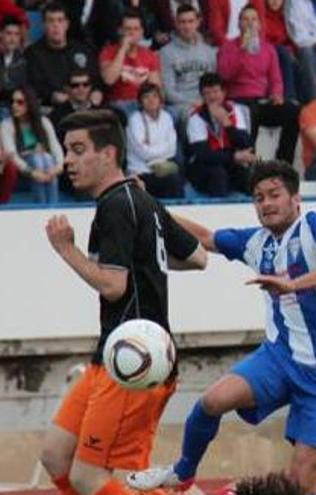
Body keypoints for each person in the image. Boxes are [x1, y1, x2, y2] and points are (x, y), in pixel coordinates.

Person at [127, 162, 316, 495]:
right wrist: (149, 204)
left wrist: (292, 284)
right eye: (258, 198)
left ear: (295, 198)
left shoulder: (315, 223)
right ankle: (182, 473)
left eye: (274, 195)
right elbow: (206, 238)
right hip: (281, 358)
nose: (266, 204)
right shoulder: (256, 242)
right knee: (212, 401)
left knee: (299, 483)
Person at [39, 109, 207, 495]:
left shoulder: (117, 205)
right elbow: (197, 256)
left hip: (135, 362)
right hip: (111, 356)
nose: (69, 161)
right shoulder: (140, 199)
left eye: (79, 150)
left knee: (91, 477)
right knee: (55, 456)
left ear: (109, 153)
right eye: (67, 150)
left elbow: (113, 286)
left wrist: (67, 250)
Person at [216, 4, 299, 164]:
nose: (250, 23)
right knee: (249, 112)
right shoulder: (228, 47)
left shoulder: (268, 49)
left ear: (259, 24)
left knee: (293, 112)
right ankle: (249, 163)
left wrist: (277, 94)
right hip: (237, 100)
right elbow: (224, 75)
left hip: (261, 99)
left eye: (254, 19)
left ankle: (283, 162)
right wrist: (242, 50)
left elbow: (275, 78)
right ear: (239, 24)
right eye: (245, 19)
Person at [186, 73, 256, 197]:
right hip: (205, 167)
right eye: (207, 93)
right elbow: (203, 154)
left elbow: (246, 144)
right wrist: (233, 157)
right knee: (218, 175)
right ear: (202, 96)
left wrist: (226, 123)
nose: (212, 97)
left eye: (215, 91)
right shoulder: (196, 117)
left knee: (250, 178)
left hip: (230, 162)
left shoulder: (235, 111)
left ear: (223, 93)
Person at [25, 2, 102, 108]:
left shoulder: (83, 49)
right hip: (51, 107)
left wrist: (97, 91)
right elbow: (34, 85)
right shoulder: (33, 53)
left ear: (67, 24)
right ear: (43, 25)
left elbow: (96, 78)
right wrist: (51, 95)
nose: (55, 25)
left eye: (60, 20)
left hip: (85, 106)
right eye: (51, 21)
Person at [1, 87, 65, 203]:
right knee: (38, 159)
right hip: (23, 167)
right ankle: (42, 206)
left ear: (30, 103)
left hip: (46, 164)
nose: (14, 105)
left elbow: (55, 145)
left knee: (46, 158)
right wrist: (32, 172)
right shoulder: (7, 125)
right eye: (12, 102)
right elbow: (12, 154)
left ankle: (51, 205)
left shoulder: (44, 122)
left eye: (20, 102)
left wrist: (59, 166)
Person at [160, 5, 217, 121]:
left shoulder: (209, 52)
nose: (187, 26)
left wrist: (206, 101)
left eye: (191, 21)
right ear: (176, 23)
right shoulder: (166, 52)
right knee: (196, 119)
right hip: (181, 106)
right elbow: (168, 91)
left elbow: (214, 85)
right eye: (182, 22)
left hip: (206, 101)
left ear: (198, 22)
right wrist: (193, 103)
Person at [99, 9, 162, 114]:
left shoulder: (149, 54)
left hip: (144, 103)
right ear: (120, 30)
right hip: (119, 104)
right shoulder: (108, 52)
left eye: (136, 29)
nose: (132, 33)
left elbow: (155, 87)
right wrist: (123, 49)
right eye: (128, 29)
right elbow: (109, 80)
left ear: (142, 32)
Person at [127, 83, 183, 197]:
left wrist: (152, 149)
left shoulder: (166, 117)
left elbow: (172, 149)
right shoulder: (135, 120)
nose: (151, 100)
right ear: (140, 101)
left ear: (160, 100)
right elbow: (144, 153)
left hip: (164, 169)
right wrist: (162, 150)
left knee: (176, 178)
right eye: (146, 97)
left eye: (154, 96)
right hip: (141, 172)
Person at [0, 16, 27, 99]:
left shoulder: (24, 60)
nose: (13, 39)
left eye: (16, 34)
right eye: (9, 33)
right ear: (1, 33)